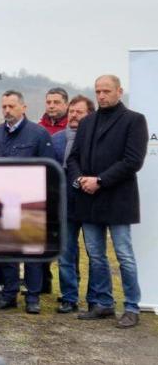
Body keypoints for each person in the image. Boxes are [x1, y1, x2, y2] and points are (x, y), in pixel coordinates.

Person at [68, 75, 148, 328]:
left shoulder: (134, 120)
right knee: (96, 255)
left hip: (117, 199)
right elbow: (73, 158)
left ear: (119, 91)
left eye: (106, 91)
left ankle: (132, 307)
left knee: (124, 255)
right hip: (89, 199)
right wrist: (80, 179)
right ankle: (103, 303)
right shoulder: (87, 122)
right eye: (98, 91)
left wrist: (100, 180)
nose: (101, 96)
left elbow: (133, 161)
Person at [0, 90, 56, 315]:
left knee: (31, 252)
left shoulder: (38, 134)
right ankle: (9, 294)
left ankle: (32, 296)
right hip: (5, 201)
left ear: (23, 107)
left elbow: (50, 169)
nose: (7, 111)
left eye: (11, 106)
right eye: (4, 107)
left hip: (31, 201)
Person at [52, 95, 96, 314]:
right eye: (72, 111)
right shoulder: (58, 139)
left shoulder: (97, 137)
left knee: (95, 254)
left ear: (91, 114)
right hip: (65, 204)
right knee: (66, 253)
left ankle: (94, 298)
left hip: (91, 203)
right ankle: (69, 297)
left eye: (80, 111)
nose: (74, 115)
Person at [38, 88, 69, 293]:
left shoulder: (73, 128)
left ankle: (68, 288)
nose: (52, 105)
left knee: (66, 242)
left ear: (66, 104)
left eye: (56, 102)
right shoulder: (39, 128)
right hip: (42, 191)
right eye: (49, 102)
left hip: (65, 192)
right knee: (42, 238)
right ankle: (43, 282)